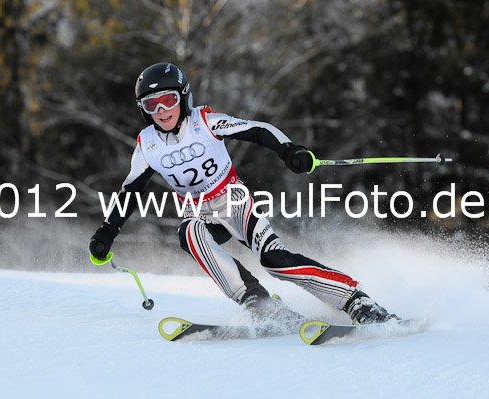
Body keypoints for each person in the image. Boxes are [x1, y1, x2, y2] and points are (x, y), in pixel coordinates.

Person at [90, 62, 398, 327]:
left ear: (183, 98)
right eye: (151, 104)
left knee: (275, 260)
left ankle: (356, 301)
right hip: (198, 211)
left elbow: (256, 129)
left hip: (234, 201)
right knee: (189, 233)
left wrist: (289, 150)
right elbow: (131, 191)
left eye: (168, 100)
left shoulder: (205, 122)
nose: (161, 110)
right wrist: (107, 230)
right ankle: (257, 302)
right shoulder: (147, 146)